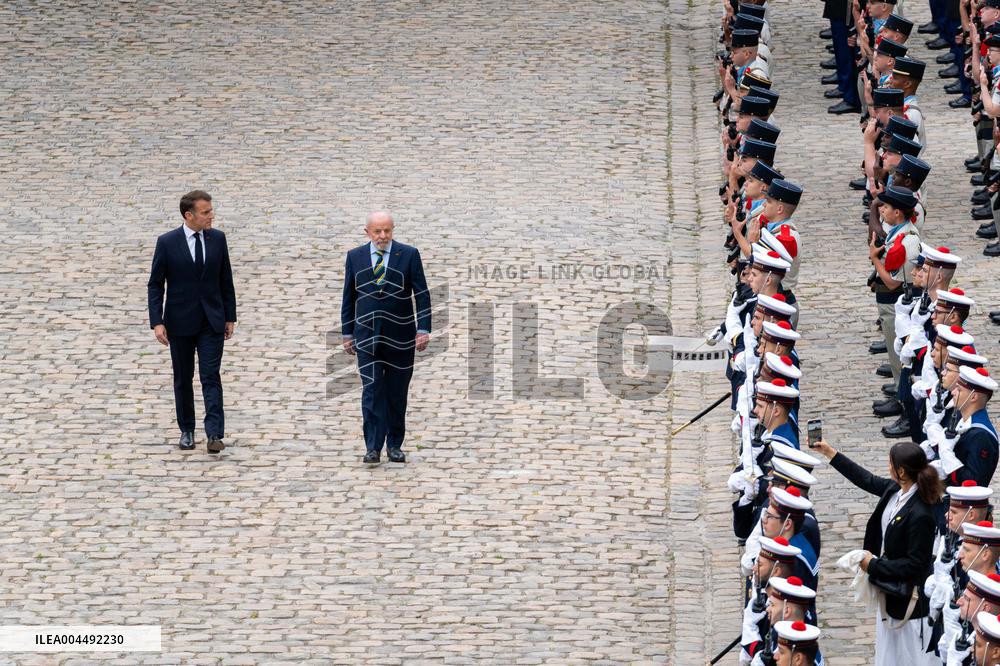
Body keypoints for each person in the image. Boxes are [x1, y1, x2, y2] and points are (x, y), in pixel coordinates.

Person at [809, 438, 940, 664]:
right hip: (891, 593)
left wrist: (873, 565)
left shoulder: (921, 514)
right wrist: (831, 454)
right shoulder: (895, 490)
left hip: (910, 602)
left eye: (890, 464)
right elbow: (866, 479)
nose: (887, 467)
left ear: (901, 471)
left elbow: (915, 564)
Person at [147, 190, 237, 454]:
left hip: (212, 321)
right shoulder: (167, 242)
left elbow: (225, 279)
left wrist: (230, 315)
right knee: (183, 378)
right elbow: (155, 284)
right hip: (180, 321)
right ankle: (186, 429)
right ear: (189, 215)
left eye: (211, 210)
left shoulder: (218, 239)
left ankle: (214, 433)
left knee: (211, 376)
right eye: (206, 212)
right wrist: (157, 321)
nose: (211, 215)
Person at [341, 211, 431, 464]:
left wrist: (423, 329)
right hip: (367, 337)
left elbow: (422, 295)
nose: (383, 236)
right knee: (371, 392)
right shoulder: (355, 257)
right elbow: (349, 297)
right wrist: (347, 332)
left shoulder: (409, 255)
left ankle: (394, 444)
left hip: (400, 337)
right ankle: (372, 447)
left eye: (387, 231)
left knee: (396, 392)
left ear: (393, 230)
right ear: (367, 232)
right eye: (378, 231)